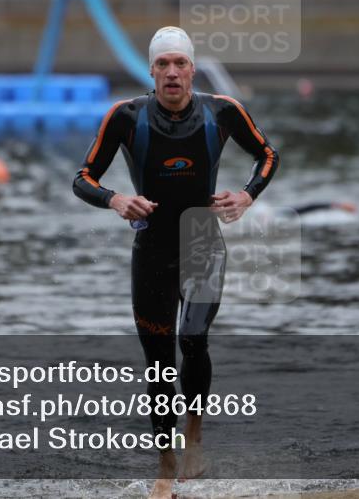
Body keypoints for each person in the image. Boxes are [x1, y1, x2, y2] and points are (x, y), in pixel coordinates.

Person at [72, 26, 279, 499]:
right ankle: (165, 464)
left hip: (203, 244)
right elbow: (82, 177)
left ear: (192, 69)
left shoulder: (222, 111)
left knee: (193, 337)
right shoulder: (125, 117)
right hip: (151, 250)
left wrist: (247, 195)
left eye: (179, 63)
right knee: (160, 362)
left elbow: (267, 154)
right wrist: (115, 199)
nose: (171, 72)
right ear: (151, 71)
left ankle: (195, 438)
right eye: (162, 64)